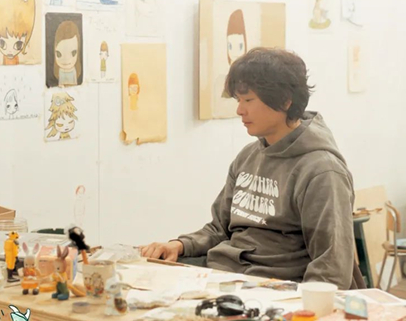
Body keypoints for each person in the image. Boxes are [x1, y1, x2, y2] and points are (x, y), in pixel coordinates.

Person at [141, 48, 356, 288]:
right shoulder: (248, 156)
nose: (240, 110)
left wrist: (303, 306)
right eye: (238, 100)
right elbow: (219, 229)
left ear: (285, 100)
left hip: (273, 288)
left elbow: (331, 268)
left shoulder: (322, 171)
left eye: (248, 100)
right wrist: (179, 245)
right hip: (224, 275)